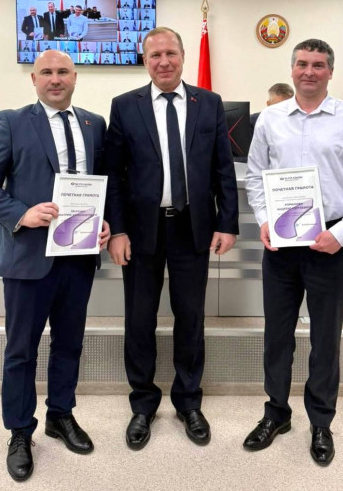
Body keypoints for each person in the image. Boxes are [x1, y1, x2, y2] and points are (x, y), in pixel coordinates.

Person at [0, 50, 110, 482]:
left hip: (78, 256)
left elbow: (102, 185)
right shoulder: (12, 122)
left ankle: (60, 415)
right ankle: (19, 431)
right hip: (28, 257)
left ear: (75, 77)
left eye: (63, 71)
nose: (55, 79)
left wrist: (105, 222)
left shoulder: (94, 124)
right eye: (46, 72)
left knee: (69, 343)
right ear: (33, 79)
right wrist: (22, 214)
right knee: (21, 351)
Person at [244, 39, 343, 465]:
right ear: (292, 69)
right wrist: (264, 220)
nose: (309, 71)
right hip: (282, 245)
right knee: (276, 335)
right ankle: (276, 413)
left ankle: (321, 422)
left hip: (332, 244)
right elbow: (255, 177)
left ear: (330, 72)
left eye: (318, 65)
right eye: (302, 63)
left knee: (325, 338)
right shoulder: (269, 120)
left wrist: (340, 234)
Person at [104, 27, 239, 450]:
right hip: (140, 231)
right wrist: (117, 230)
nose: (163, 61)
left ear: (182, 56)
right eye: (155, 55)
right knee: (139, 318)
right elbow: (114, 176)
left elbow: (223, 168)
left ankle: (188, 401)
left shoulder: (208, 103)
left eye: (170, 53)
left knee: (191, 316)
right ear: (145, 60)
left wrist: (227, 223)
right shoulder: (125, 106)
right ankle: (143, 404)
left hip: (192, 227)